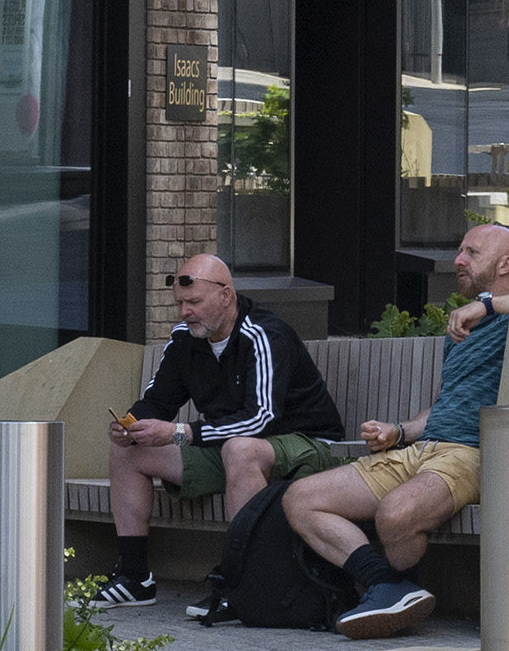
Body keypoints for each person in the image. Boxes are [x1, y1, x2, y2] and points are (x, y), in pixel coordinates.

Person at [283, 220, 509, 638]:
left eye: (472, 253)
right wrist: (399, 431)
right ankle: (389, 585)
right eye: (460, 250)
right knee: (302, 499)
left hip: (472, 453)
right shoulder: (461, 328)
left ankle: (391, 590)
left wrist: (489, 305)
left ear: (505, 263)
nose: (458, 260)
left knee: (396, 514)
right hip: (423, 450)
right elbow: (443, 404)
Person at [86, 253, 345, 608]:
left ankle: (243, 585)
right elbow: (158, 401)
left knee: (241, 449)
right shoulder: (185, 340)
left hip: (308, 447)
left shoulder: (264, 335)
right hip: (233, 448)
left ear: (226, 295)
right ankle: (135, 578)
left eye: (194, 302)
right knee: (131, 451)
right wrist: (131, 425)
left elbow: (261, 419)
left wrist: (181, 433)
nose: (184, 312)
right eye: (179, 303)